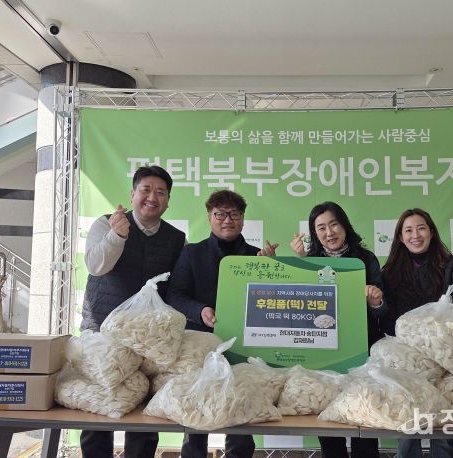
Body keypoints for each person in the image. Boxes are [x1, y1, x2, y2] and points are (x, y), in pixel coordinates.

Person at [80, 165, 186, 458]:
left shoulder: (177, 239)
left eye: (161, 192)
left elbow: (177, 288)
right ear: (132, 194)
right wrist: (116, 235)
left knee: (144, 409)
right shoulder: (105, 223)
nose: (152, 197)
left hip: (149, 338)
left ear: (168, 201)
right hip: (102, 330)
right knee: (99, 404)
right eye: (146, 190)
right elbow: (96, 266)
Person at [166, 189, 278, 458]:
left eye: (234, 214)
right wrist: (200, 310)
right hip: (200, 344)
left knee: (241, 409)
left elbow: (271, 303)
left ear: (243, 219)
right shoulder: (192, 253)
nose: (228, 220)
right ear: (209, 217)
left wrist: (273, 270)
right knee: (196, 411)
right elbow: (175, 295)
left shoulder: (257, 257)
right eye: (220, 214)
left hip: (245, 345)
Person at [290, 201, 384, 458]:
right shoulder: (310, 260)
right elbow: (301, 305)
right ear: (314, 233)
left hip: (362, 350)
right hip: (324, 352)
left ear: (344, 226)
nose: (329, 232)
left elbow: (382, 310)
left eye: (334, 224)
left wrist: (375, 301)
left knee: (364, 415)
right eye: (321, 228)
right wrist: (301, 263)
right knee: (328, 420)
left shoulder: (366, 259)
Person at [380, 208, 453, 458]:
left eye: (421, 228)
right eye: (409, 230)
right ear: (400, 237)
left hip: (443, 357)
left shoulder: (450, 265)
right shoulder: (389, 272)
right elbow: (386, 317)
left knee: (441, 426)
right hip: (406, 360)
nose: (416, 235)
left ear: (431, 232)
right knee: (408, 425)